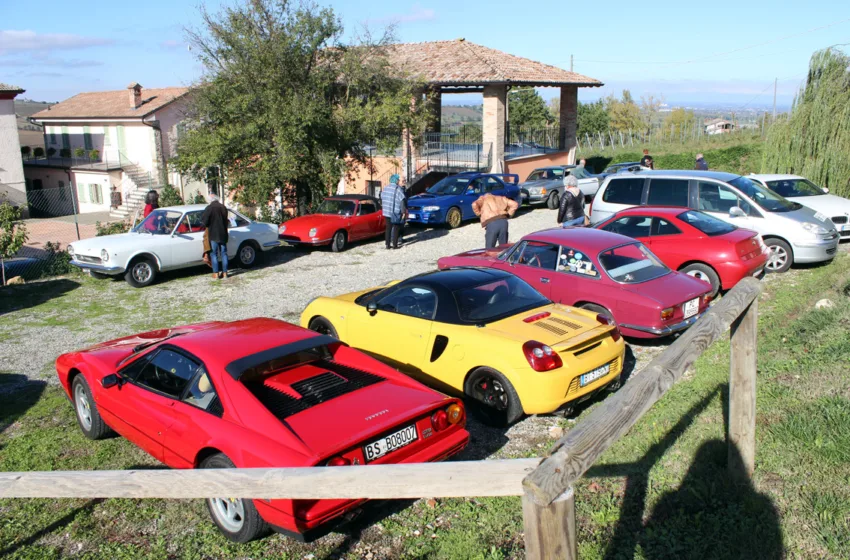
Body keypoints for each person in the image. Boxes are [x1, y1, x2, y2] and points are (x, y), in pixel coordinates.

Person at [201, 189, 229, 279]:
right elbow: (226, 220)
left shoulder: (209, 208)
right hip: (223, 234)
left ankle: (216, 273)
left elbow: (204, 222)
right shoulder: (223, 207)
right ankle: (225, 273)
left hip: (213, 234)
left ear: (210, 200)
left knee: (214, 254)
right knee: (224, 253)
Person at [381, 174, 406, 249]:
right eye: (398, 180)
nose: (399, 181)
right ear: (396, 180)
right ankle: (395, 245)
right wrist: (403, 212)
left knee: (388, 228)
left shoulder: (385, 188)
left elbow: (382, 197)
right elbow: (402, 201)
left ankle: (387, 245)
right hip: (395, 212)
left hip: (386, 211)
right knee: (396, 227)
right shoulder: (398, 189)